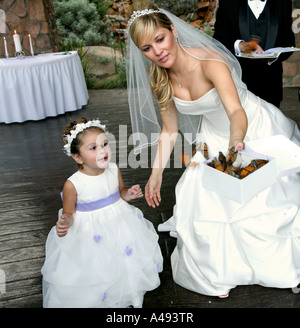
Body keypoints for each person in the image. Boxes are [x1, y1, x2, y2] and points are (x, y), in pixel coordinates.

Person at [126, 0, 300, 298]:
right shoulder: (161, 79)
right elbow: (169, 130)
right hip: (213, 137)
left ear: (173, 31)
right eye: (147, 48)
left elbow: (236, 112)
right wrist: (155, 175)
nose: (158, 51)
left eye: (160, 39)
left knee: (264, 203)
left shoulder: (210, 62)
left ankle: (283, 264)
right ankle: (220, 269)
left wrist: (237, 142)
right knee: (203, 200)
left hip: (250, 128)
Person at [41, 117, 163, 308]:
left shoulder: (113, 169)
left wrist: (128, 194)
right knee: (98, 267)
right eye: (93, 148)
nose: (103, 150)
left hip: (119, 223)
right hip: (90, 234)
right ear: (78, 157)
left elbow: (120, 193)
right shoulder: (73, 184)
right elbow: (69, 213)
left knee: (123, 261)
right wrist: (65, 221)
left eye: (104, 144)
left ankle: (126, 290)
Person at [213, 0, 295, 108]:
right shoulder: (229, 3)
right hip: (238, 83)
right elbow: (218, 40)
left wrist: (273, 57)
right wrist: (240, 45)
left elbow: (288, 41)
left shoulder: (283, 3)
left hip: (271, 85)